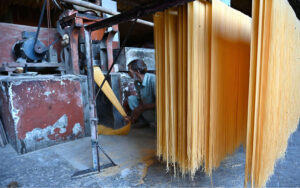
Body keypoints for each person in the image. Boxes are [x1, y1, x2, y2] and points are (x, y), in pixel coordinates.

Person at [126, 59, 156, 128]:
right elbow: (140, 100)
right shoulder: (137, 82)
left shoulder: (153, 80)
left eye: (129, 71)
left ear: (137, 71)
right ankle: (143, 121)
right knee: (132, 99)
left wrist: (142, 108)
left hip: (157, 110)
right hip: (148, 108)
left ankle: (153, 122)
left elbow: (161, 103)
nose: (128, 74)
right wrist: (134, 115)